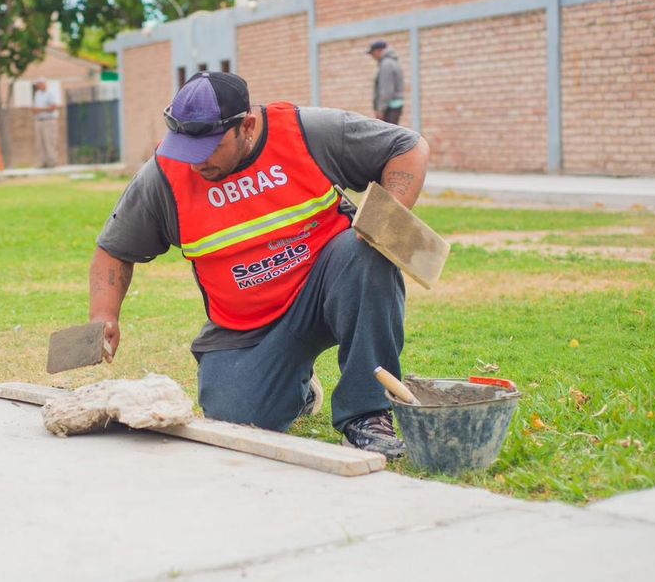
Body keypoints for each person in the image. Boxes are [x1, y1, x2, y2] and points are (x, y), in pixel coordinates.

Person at [89, 71, 429, 458]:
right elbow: (114, 249)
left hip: (327, 287)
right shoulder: (166, 175)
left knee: (368, 249)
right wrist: (104, 315)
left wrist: (388, 219)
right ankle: (296, 389)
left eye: (209, 146)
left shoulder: (306, 133)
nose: (195, 161)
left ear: (246, 126)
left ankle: (365, 414)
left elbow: (408, 146)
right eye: (186, 146)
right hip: (246, 328)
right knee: (235, 421)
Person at [368, 40, 405, 125]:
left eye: (372, 53)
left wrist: (381, 110)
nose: (372, 56)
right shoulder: (393, 62)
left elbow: (386, 90)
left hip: (389, 107)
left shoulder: (386, 64)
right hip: (395, 105)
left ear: (379, 51)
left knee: (387, 136)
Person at [32, 78, 60, 168]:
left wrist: (41, 109)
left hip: (48, 120)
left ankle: (52, 162)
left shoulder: (50, 94)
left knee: (49, 142)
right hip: (39, 120)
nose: (39, 86)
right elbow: (35, 109)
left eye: (41, 84)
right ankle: (43, 162)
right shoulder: (37, 94)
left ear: (44, 84)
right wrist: (37, 110)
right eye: (38, 84)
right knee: (40, 143)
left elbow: (53, 107)